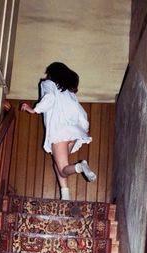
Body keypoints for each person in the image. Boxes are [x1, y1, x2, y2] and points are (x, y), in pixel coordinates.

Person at [21, 62, 96, 200]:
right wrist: (84, 128)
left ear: (52, 74)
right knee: (58, 164)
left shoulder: (48, 84)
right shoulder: (69, 93)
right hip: (74, 132)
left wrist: (34, 110)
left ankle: (80, 167)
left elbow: (50, 98)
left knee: (63, 169)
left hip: (59, 132)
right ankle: (65, 195)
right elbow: (80, 111)